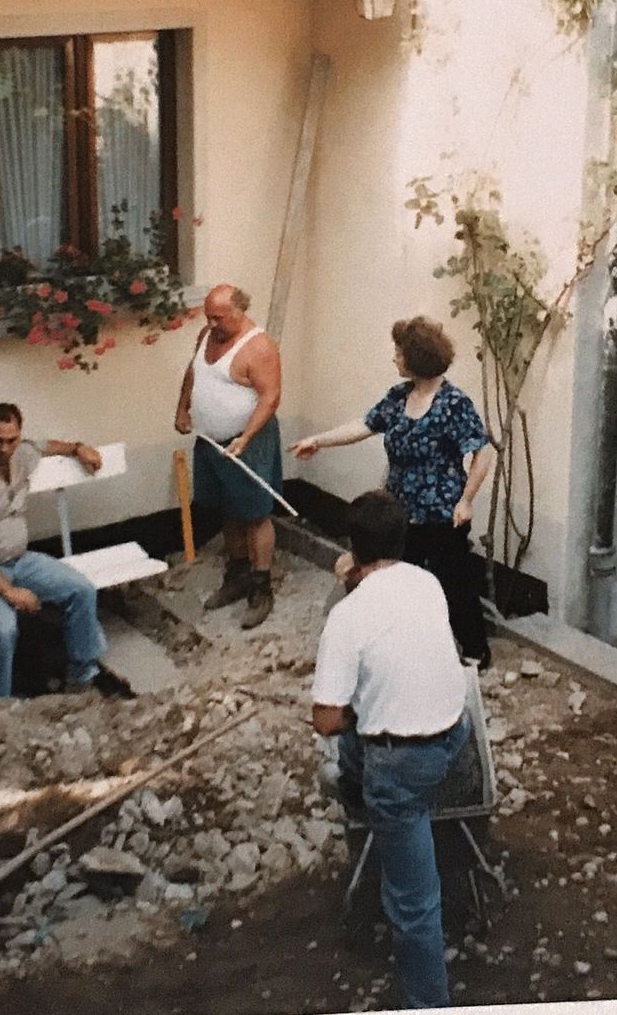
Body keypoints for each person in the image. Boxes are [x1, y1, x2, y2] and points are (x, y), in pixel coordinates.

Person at [311, 490, 470, 1010]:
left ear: (351, 551)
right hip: (457, 735)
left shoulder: (347, 616)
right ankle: (385, 817)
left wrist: (349, 589)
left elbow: (326, 720)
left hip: (405, 765)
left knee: (415, 905)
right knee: (364, 742)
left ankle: (428, 1004)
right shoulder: (426, 582)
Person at [290, 316, 495, 666]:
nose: (394, 359)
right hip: (399, 511)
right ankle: (406, 646)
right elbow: (365, 425)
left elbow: (483, 450)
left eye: (399, 353)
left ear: (416, 358)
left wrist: (467, 500)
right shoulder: (399, 397)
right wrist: (319, 441)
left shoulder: (453, 404)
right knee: (396, 579)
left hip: (443, 512)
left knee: (452, 581)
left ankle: (475, 651)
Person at [0, 402, 133, 700]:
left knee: (81, 590)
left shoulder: (20, 454)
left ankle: (82, 678)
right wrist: (10, 593)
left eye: (10, 440)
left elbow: (42, 446)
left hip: (19, 561)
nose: (4, 448)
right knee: (2, 628)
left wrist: (78, 447)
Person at [174, 284, 284, 629]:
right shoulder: (208, 334)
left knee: (255, 513)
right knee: (226, 507)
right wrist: (182, 407)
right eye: (208, 316)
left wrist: (246, 437)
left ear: (238, 312)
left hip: (248, 441)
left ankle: (261, 585)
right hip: (210, 439)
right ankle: (236, 574)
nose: (211, 323)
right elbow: (193, 372)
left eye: (218, 317)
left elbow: (270, 398)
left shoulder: (260, 346)